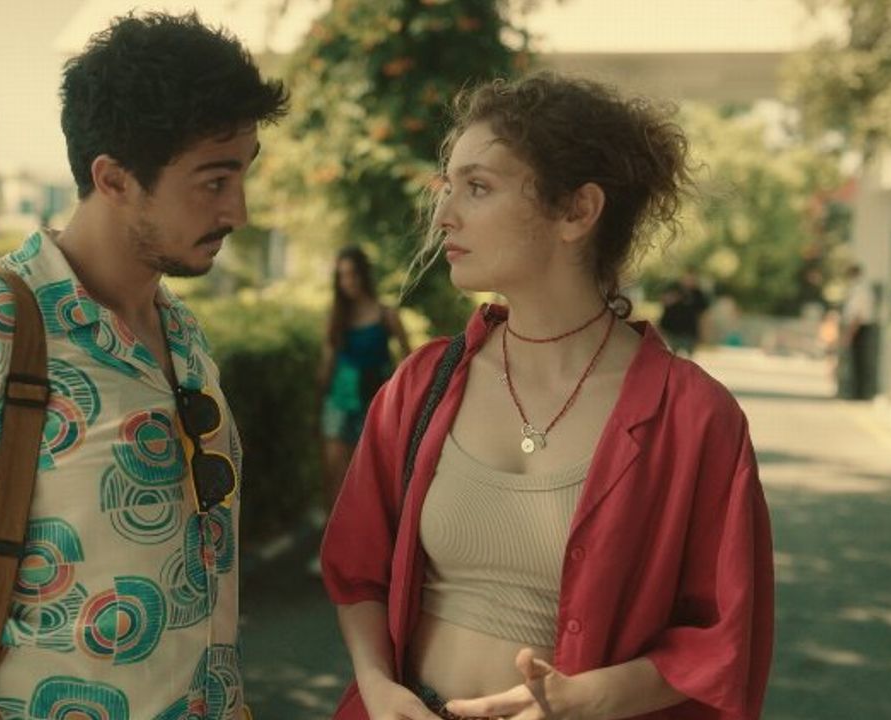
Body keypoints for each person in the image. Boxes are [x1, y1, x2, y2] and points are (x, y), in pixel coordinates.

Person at [0, 12, 287, 719]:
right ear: (114, 179)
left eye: (243, 174)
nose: (238, 210)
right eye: (213, 181)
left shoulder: (179, 330)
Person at [321, 74, 773, 720]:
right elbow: (357, 569)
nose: (445, 215)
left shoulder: (695, 418)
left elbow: (721, 636)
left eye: (478, 187)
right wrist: (376, 684)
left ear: (577, 212)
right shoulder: (421, 384)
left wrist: (586, 698)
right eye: (448, 188)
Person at [319, 246, 412, 514]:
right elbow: (326, 365)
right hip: (339, 402)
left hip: (376, 404)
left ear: (364, 275)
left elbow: (408, 362)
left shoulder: (387, 315)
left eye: (353, 274)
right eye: (342, 276)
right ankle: (336, 533)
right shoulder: (336, 317)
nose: (348, 282)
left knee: (373, 477)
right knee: (336, 475)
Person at [838, 263, 877, 400]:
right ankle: (856, 392)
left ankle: (858, 393)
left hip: (859, 328)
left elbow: (857, 316)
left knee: (858, 363)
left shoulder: (860, 289)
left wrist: (849, 334)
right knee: (857, 362)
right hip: (857, 328)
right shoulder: (859, 288)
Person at [657, 269, 709, 357]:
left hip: (689, 332)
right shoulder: (674, 288)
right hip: (671, 330)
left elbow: (702, 314)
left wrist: (703, 332)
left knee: (688, 356)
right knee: (670, 355)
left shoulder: (698, 294)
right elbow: (664, 301)